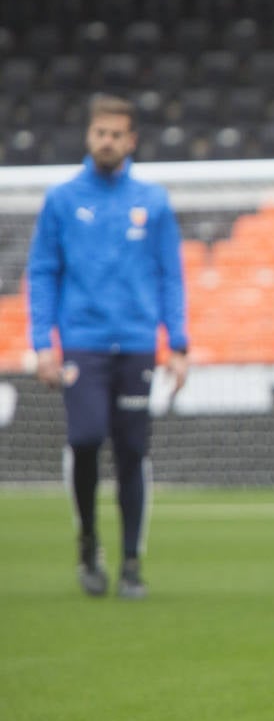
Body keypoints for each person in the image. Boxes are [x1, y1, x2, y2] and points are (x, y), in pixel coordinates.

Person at [26, 92, 189, 599]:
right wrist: (42, 344)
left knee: (133, 452)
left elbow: (170, 276)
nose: (108, 141)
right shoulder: (61, 199)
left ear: (131, 140)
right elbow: (43, 272)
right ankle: (88, 543)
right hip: (82, 344)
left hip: (138, 343)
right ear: (89, 136)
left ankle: (132, 564)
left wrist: (178, 344)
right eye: (101, 133)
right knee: (84, 440)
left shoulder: (154, 201)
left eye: (117, 134)